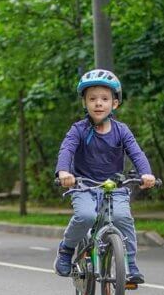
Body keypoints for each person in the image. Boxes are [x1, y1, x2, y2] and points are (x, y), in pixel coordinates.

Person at [54, 69, 156, 284]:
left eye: (104, 99)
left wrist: (146, 173)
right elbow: (67, 149)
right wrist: (64, 172)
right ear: (84, 103)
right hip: (83, 186)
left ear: (115, 104)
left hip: (114, 186)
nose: (98, 103)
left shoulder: (122, 130)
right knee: (86, 217)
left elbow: (136, 152)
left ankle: (129, 264)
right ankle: (66, 250)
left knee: (122, 218)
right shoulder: (78, 130)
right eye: (92, 99)